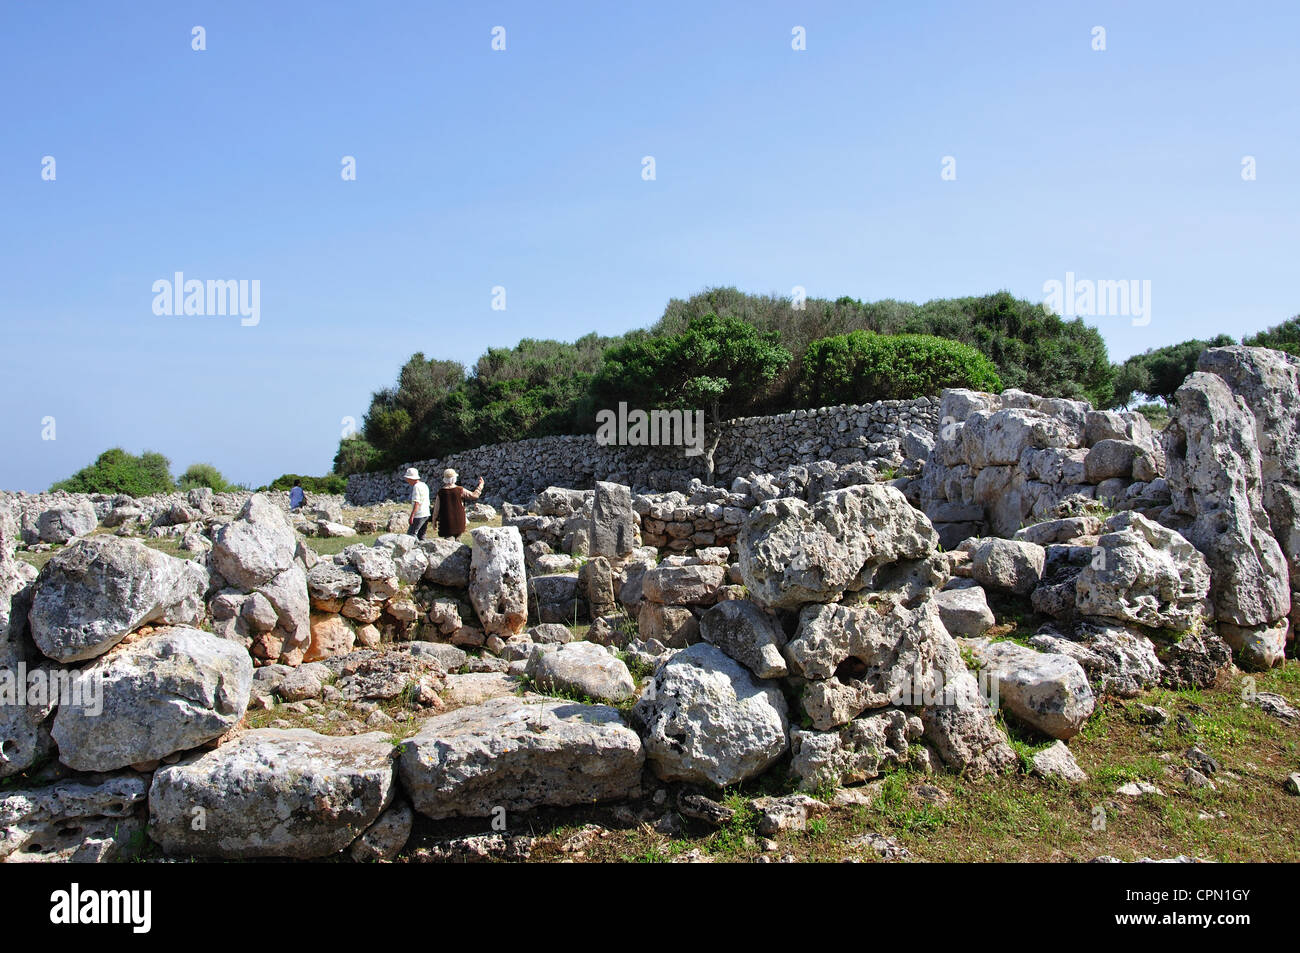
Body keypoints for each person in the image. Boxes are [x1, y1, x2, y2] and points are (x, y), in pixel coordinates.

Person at [433, 468, 484, 538]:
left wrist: (434, 521)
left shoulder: (441, 492)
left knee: (448, 542)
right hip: (459, 521)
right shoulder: (460, 490)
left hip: (446, 522)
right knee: (458, 541)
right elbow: (474, 495)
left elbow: (436, 509)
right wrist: (480, 486)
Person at [404, 467, 431, 539]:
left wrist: (412, 516)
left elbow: (417, 503)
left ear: (411, 478)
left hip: (419, 514)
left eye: (407, 479)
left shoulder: (416, 487)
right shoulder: (424, 485)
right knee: (421, 535)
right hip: (426, 513)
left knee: (411, 534)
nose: (407, 481)